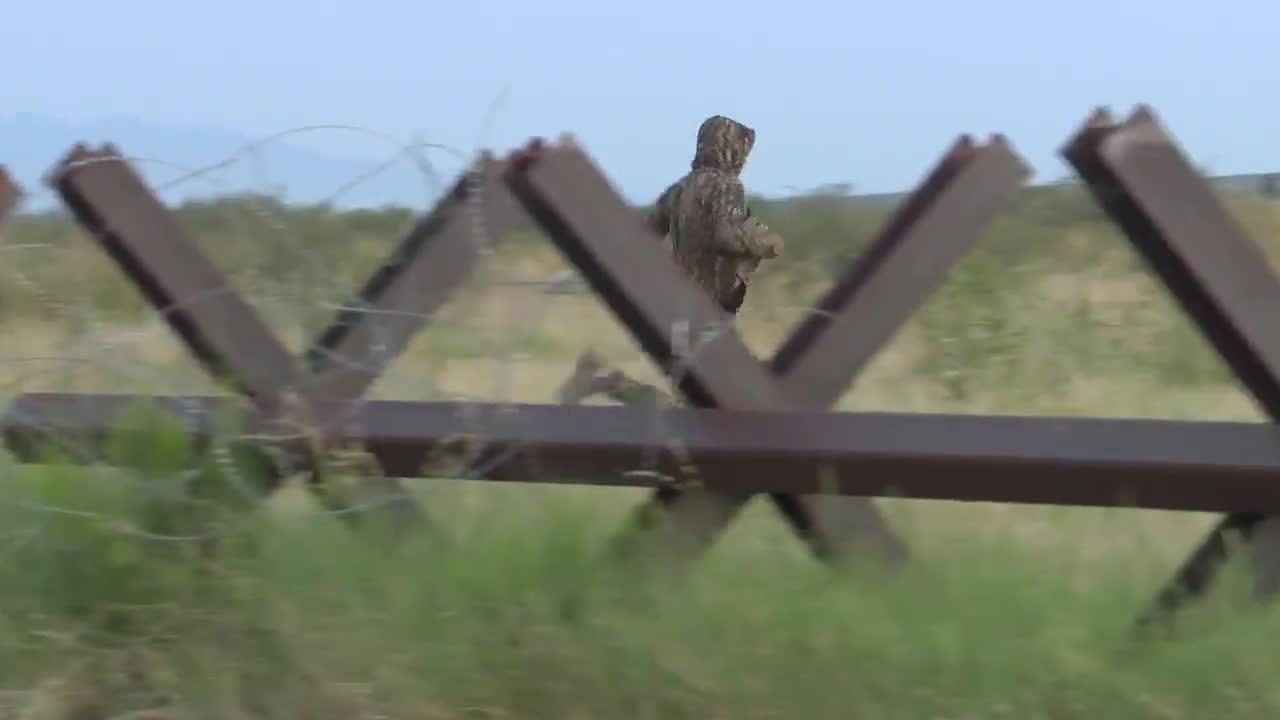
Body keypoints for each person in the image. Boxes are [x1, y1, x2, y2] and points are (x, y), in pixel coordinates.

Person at [557, 114, 784, 406]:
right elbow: (725, 236)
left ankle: (602, 379)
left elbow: (644, 235)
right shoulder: (728, 187)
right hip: (709, 309)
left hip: (678, 306)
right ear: (732, 149)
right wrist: (766, 243)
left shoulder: (680, 189)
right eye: (743, 150)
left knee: (699, 408)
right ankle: (603, 379)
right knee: (708, 412)